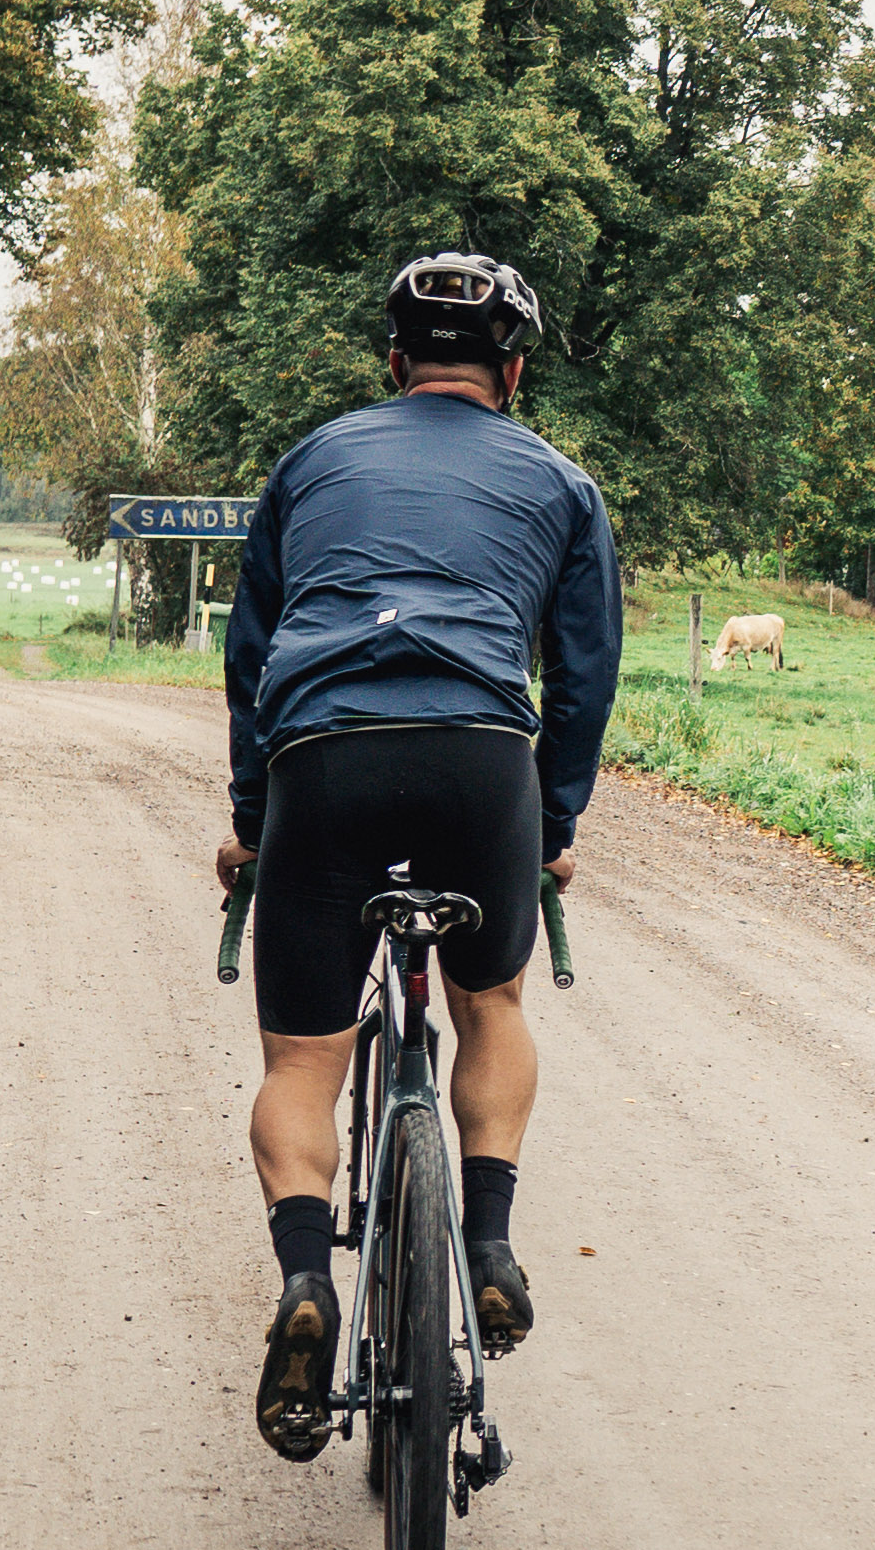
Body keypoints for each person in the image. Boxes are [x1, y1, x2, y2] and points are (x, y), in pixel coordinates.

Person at [216, 250, 623, 1460]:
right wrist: (547, 829)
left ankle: (304, 1278)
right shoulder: (560, 481)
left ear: (394, 363)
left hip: (323, 760)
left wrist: (255, 817)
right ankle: (487, 1240)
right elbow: (585, 674)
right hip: (479, 760)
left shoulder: (313, 461)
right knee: (489, 998)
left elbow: (253, 657)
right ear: (513, 369)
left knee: (304, 1052)